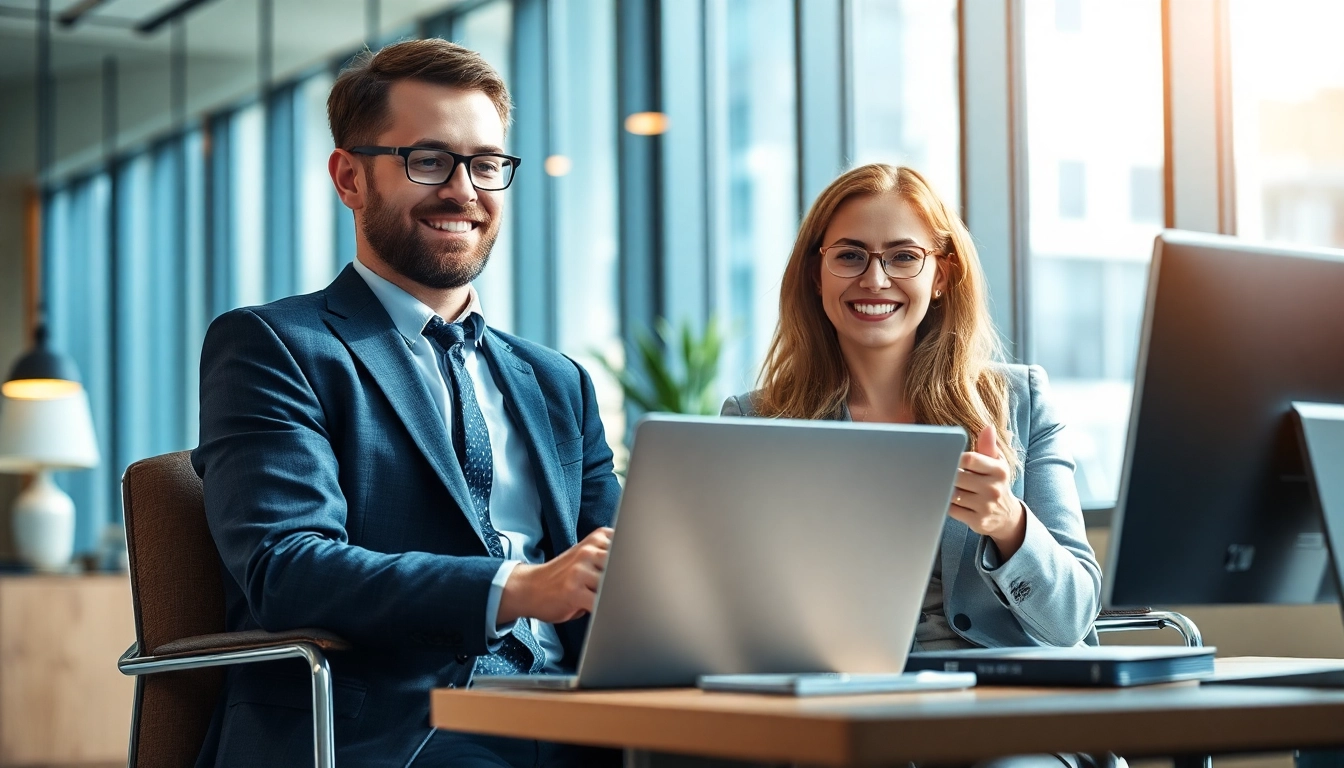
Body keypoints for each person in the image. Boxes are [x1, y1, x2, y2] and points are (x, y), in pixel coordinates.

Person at [192, 39, 621, 768]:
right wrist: (515, 589)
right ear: (350, 178)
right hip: (398, 730)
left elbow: (624, 567)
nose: (464, 190)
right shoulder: (274, 346)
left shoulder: (557, 382)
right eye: (428, 160)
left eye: (486, 164)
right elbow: (288, 568)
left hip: (577, 716)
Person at [722, 163, 1102, 651]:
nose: (875, 279)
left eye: (903, 257)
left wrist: (1008, 522)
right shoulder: (756, 423)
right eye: (850, 256)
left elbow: (1072, 619)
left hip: (1004, 686)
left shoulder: (1020, 401)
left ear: (941, 275)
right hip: (844, 686)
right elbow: (728, 610)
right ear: (817, 275)